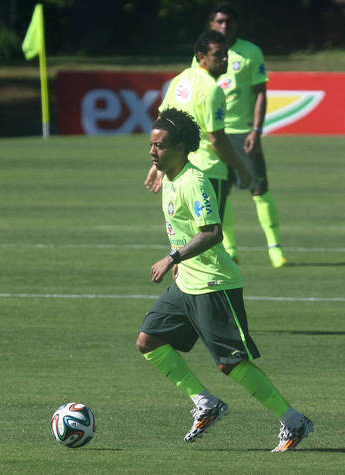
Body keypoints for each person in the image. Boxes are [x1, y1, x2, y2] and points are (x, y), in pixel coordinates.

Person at [137, 107, 313, 451]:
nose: (152, 152)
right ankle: (206, 403)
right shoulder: (168, 178)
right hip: (186, 282)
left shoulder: (194, 180)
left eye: (159, 146)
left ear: (180, 148)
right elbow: (183, 230)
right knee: (148, 341)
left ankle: (294, 421)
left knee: (229, 363)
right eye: (151, 144)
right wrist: (180, 259)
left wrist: (173, 256)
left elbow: (213, 233)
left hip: (214, 284)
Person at [193, 2, 286, 268]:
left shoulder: (250, 52)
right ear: (211, 24)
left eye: (229, 22)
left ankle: (274, 247)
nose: (224, 26)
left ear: (236, 24)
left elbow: (261, 93)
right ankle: (230, 247)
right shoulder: (202, 53)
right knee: (222, 193)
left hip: (242, 132)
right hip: (213, 134)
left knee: (259, 189)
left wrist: (256, 130)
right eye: (219, 22)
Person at [145, 30, 252, 231]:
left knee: (183, 238)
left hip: (177, 169)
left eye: (226, 53)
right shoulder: (213, 90)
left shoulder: (180, 79)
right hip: (208, 172)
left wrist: (158, 164)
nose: (225, 59)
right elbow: (217, 138)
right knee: (208, 239)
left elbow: (162, 122)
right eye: (218, 54)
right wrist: (241, 168)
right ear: (201, 57)